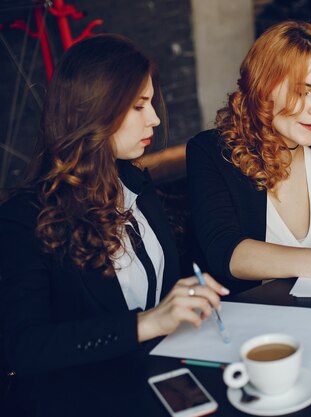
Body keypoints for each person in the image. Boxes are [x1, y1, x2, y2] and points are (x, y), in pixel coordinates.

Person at [0, 34, 228, 416]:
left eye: (151, 102)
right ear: (94, 109)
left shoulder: (136, 183)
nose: (154, 117)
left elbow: (161, 284)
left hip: (159, 381)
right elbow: (27, 347)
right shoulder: (24, 219)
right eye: (139, 105)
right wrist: (146, 323)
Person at [187, 21, 311, 293]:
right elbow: (227, 252)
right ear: (264, 87)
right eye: (303, 92)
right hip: (253, 324)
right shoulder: (211, 152)